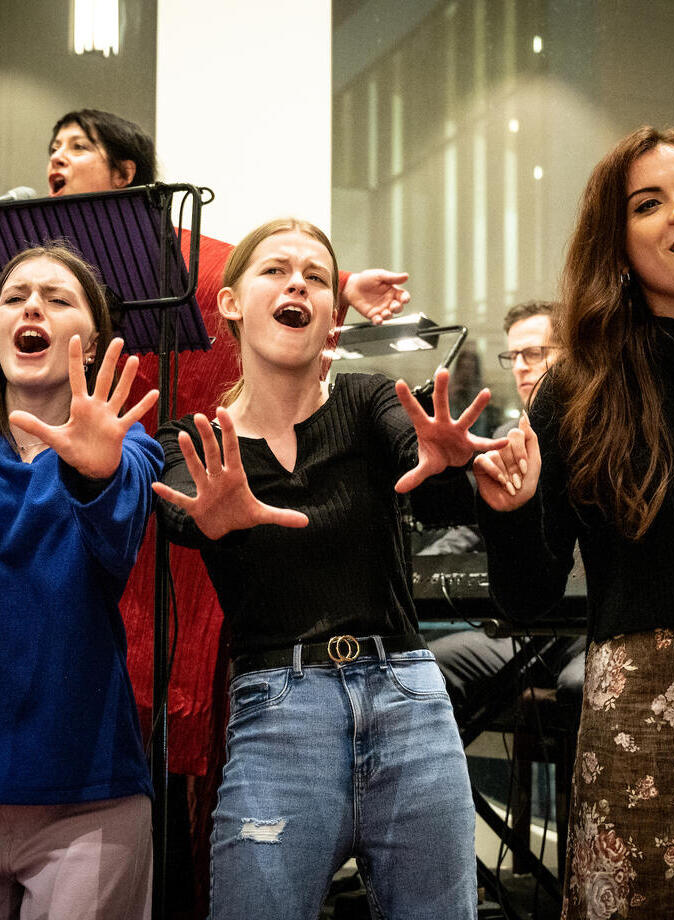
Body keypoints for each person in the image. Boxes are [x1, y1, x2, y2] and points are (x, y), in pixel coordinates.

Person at [152, 216, 511, 920]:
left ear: (332, 317)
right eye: (276, 270)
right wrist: (208, 517)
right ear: (230, 302)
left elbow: (421, 470)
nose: (298, 285)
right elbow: (178, 512)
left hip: (407, 700)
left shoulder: (368, 399)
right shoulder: (195, 441)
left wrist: (442, 462)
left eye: (316, 277)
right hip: (277, 714)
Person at [46, 108, 415, 783]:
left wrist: (339, 287)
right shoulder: (38, 260)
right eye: (54, 147)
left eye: (77, 146)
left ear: (125, 173)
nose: (57, 159)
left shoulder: (173, 256)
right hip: (80, 481)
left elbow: (246, 277)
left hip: (170, 501)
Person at [473, 126, 674, 919]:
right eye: (649, 203)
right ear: (617, 246)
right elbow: (528, 598)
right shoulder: (579, 387)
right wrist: (509, 512)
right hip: (646, 703)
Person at [0, 243, 162, 918]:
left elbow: (118, 535)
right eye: (14, 297)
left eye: (57, 298)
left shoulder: (130, 447)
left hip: (90, 796)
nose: (32, 307)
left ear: (91, 344)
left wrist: (96, 471)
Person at [430, 301, 586, 726]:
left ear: (571, 354)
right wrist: (429, 565)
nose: (520, 367)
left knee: (579, 685)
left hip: (587, 629)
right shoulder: (503, 438)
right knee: (432, 666)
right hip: (523, 628)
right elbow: (473, 529)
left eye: (533, 353)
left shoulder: (597, 431)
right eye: (513, 355)